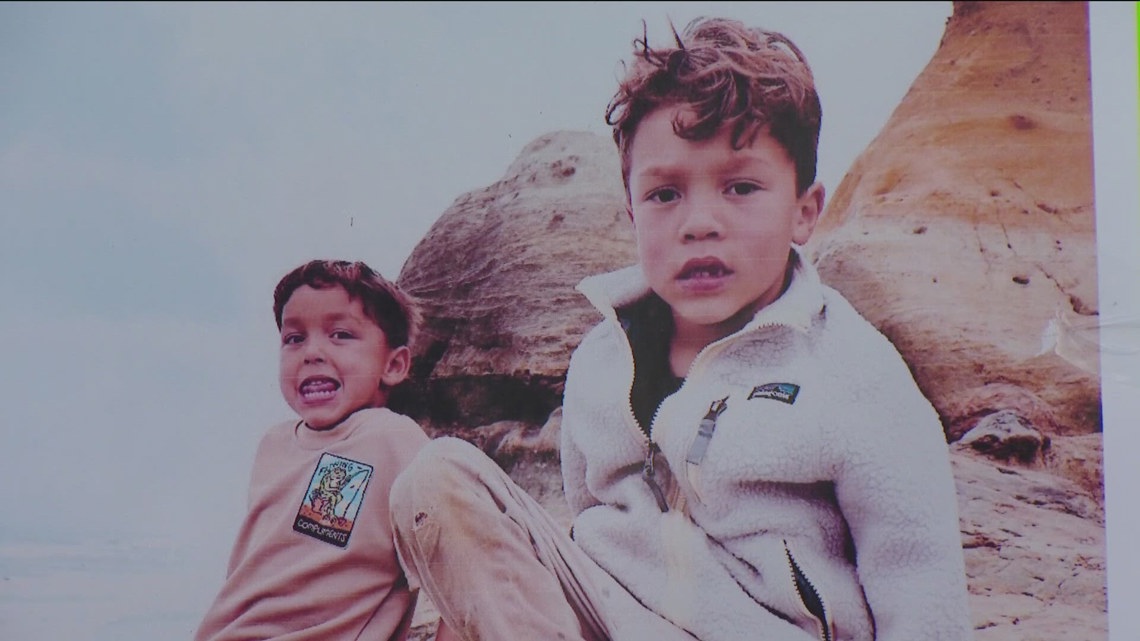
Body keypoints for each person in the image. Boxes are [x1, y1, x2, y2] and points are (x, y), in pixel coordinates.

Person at [390, 16, 973, 641]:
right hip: (607, 617)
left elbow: (919, 578)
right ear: (632, 214)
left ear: (804, 212)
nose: (699, 223)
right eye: (665, 195)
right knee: (437, 479)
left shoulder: (854, 371)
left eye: (740, 187)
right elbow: (587, 516)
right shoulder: (599, 359)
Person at [195, 260, 431, 641]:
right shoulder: (274, 444)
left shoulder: (390, 438)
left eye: (340, 334)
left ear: (393, 365)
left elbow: (463, 567)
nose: (312, 353)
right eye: (294, 338)